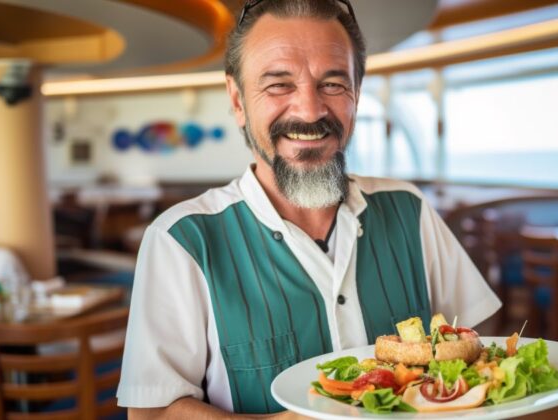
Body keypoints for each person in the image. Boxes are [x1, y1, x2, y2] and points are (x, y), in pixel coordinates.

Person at [117, 0, 501, 417]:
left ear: (357, 93)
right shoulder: (182, 241)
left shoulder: (409, 208)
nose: (310, 111)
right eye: (279, 84)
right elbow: (151, 413)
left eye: (333, 84)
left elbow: (479, 338)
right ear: (238, 99)